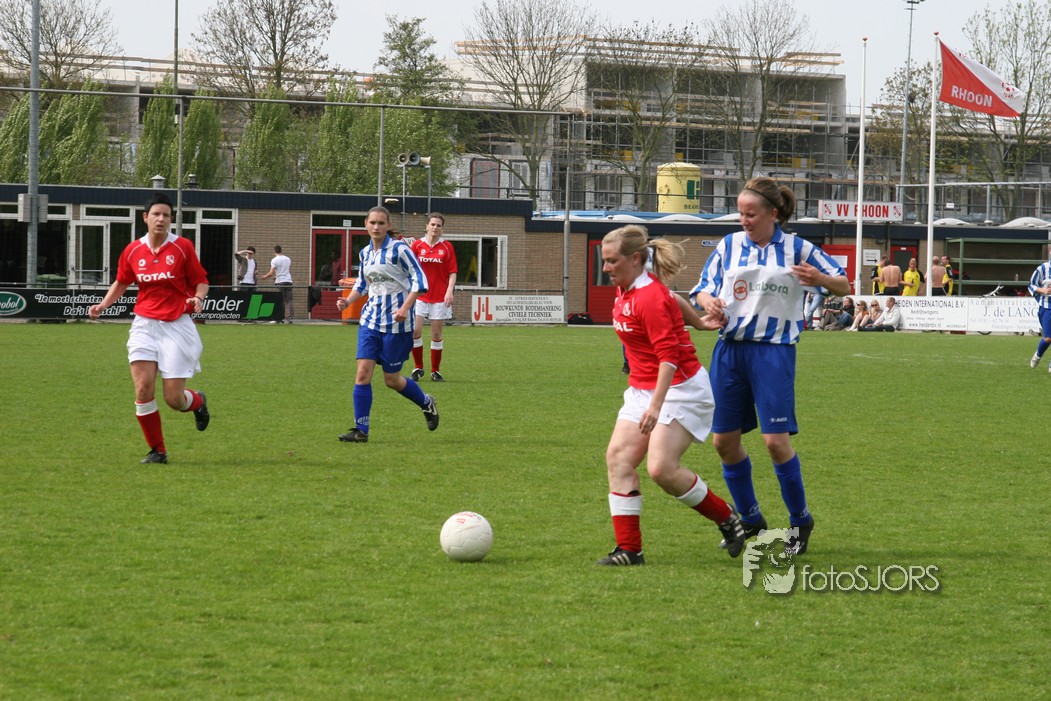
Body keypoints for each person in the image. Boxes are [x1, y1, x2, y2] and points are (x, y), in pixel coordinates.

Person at [691, 176, 849, 557]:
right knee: (723, 442)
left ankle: (800, 520)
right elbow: (701, 289)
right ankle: (751, 519)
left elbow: (844, 285)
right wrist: (710, 302)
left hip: (773, 353)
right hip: (729, 352)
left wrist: (819, 279)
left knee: (776, 443)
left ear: (773, 214)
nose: (743, 220)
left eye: (750, 214)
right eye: (740, 213)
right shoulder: (729, 245)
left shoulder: (798, 248)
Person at [596, 224, 745, 566]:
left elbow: (669, 357)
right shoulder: (629, 286)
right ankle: (629, 550)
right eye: (605, 260)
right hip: (643, 389)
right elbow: (673, 298)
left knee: (661, 468)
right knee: (618, 459)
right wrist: (699, 322)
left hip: (680, 389)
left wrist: (655, 406)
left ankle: (726, 517)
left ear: (636, 259)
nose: (606, 268)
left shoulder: (648, 297)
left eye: (612, 261)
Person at [87, 192, 210, 465]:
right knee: (143, 388)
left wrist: (198, 298)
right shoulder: (133, 250)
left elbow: (201, 281)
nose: (161, 219)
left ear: (171, 219)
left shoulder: (182, 247)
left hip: (176, 326)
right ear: (145, 217)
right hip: (144, 324)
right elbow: (122, 282)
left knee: (174, 399)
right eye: (156, 214)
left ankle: (198, 402)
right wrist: (103, 305)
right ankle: (157, 450)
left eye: (166, 215)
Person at [335, 206, 439, 443]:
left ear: (388, 225)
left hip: (397, 326)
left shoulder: (400, 249)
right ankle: (361, 430)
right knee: (363, 373)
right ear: (365, 224)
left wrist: (405, 308)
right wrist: (348, 301)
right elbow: (363, 284)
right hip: (370, 321)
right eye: (372, 222)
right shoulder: (365, 253)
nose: (376, 227)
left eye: (381, 223)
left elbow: (420, 281)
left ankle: (426, 402)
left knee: (392, 380)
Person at [410, 213, 458, 382]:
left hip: (439, 297)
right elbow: (410, 269)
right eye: (432, 224)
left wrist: (449, 291)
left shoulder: (447, 247)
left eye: (438, 225)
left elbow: (452, 272)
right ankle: (418, 367)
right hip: (419, 295)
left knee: (436, 334)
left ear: (442, 228)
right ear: (427, 226)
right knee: (415, 331)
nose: (435, 227)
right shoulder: (417, 245)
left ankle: (435, 371)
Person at [1027, 253, 1051, 371]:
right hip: (1047, 307)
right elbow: (1031, 285)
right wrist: (1044, 290)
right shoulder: (1043, 268)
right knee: (1048, 338)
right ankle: (1037, 355)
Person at [260, 245, 294, 321]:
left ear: (274, 251)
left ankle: (279, 316)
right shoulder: (287, 259)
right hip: (288, 281)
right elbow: (285, 271)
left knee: (280, 300)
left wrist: (265, 277)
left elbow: (271, 273)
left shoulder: (274, 260)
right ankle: (289, 317)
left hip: (280, 282)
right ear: (281, 250)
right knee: (288, 300)